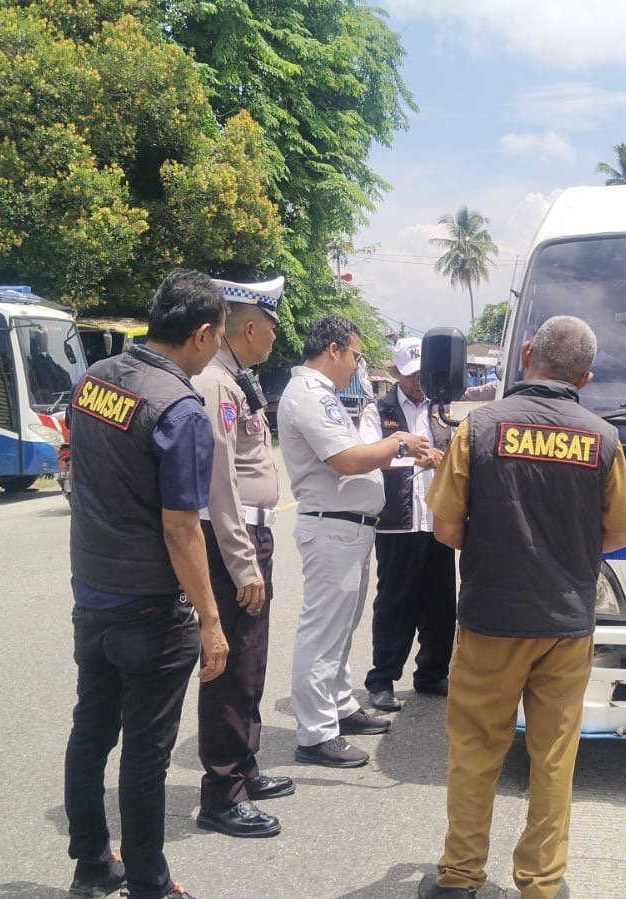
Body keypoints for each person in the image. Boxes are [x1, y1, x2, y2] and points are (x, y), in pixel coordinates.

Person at [417, 316, 626, 899]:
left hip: (491, 617)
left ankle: (460, 877)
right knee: (554, 758)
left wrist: (497, 543)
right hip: (566, 624)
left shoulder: (480, 428)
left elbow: (444, 527)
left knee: (475, 750)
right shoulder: (603, 439)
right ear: (585, 378)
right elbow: (620, 534)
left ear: (528, 353)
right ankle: (541, 883)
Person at [63, 269, 230, 899]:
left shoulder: (95, 380)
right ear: (203, 332)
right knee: (145, 755)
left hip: (93, 592)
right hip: (150, 609)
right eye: (217, 338)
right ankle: (151, 884)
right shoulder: (181, 408)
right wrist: (211, 623)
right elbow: (183, 529)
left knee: (91, 733)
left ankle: (90, 867)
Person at [279, 316, 432, 768]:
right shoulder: (309, 395)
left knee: (340, 630)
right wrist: (399, 443)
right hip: (332, 526)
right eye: (354, 354)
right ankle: (315, 733)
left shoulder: (323, 395)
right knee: (323, 633)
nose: (355, 364)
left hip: (347, 526)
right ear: (332, 349)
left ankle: (340, 707)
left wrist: (401, 454)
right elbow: (347, 461)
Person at [192, 272, 290, 839]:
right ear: (249, 328)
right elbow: (218, 484)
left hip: (253, 536)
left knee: (252, 661)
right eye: (271, 331)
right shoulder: (215, 385)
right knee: (230, 668)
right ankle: (222, 793)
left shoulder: (238, 380)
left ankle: (245, 768)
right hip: (236, 540)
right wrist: (242, 561)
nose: (274, 340)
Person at [358, 337, 453, 712]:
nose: (418, 381)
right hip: (397, 524)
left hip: (437, 521)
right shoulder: (378, 411)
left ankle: (431, 673)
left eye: (423, 374)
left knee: (441, 604)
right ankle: (382, 679)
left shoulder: (441, 409)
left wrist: (443, 459)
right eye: (411, 374)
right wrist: (414, 460)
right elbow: (369, 458)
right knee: (396, 602)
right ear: (395, 372)